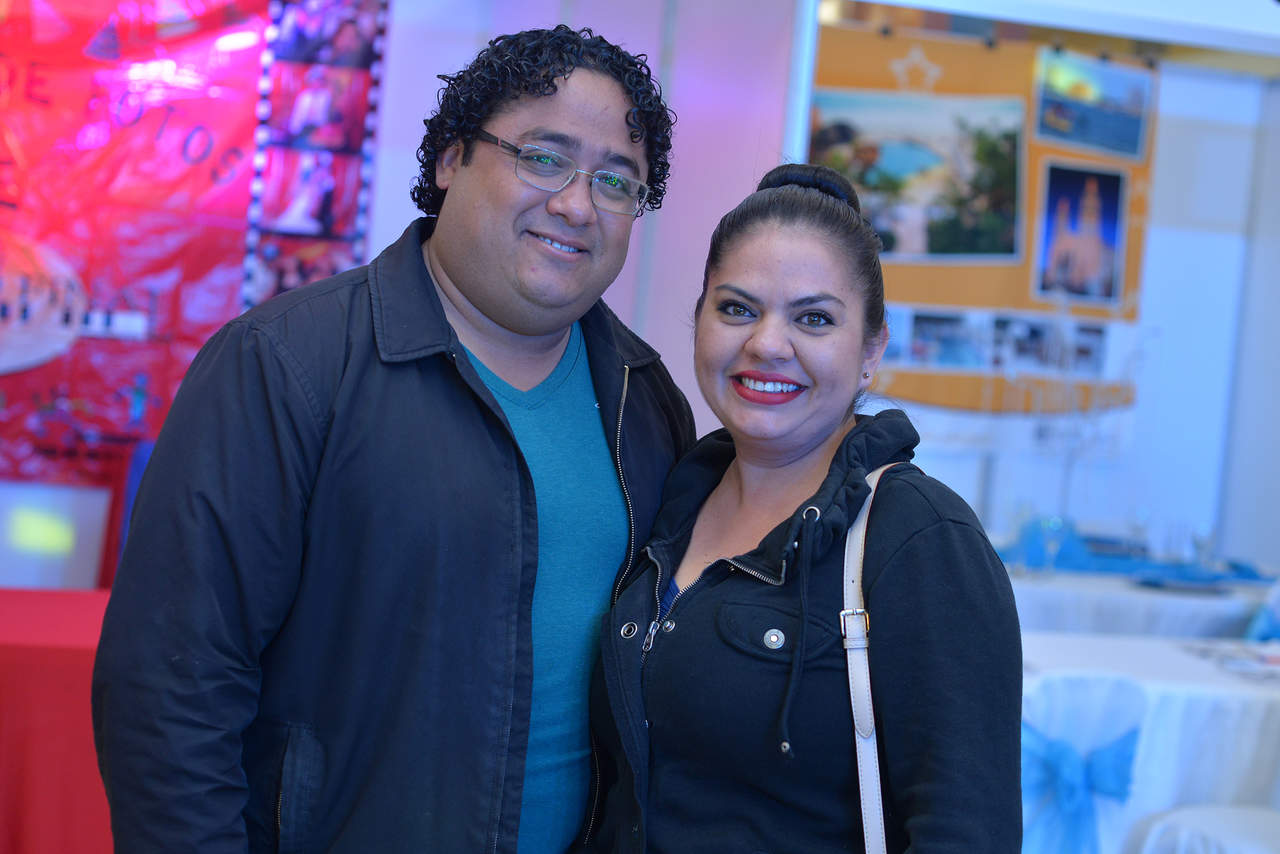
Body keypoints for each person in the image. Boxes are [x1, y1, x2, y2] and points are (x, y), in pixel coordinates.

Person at [92, 25, 695, 853]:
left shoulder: (644, 399)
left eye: (616, 181)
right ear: (451, 158)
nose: (577, 204)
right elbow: (169, 692)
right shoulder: (286, 366)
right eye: (543, 157)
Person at [578, 164, 1022, 853]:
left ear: (872, 348)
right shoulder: (665, 498)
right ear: (698, 319)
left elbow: (965, 832)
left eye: (814, 319)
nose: (766, 344)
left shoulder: (918, 536)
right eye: (737, 308)